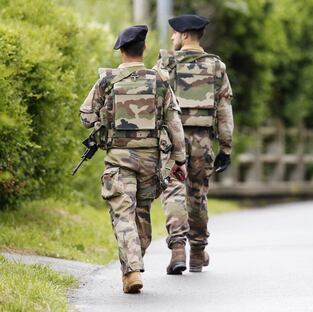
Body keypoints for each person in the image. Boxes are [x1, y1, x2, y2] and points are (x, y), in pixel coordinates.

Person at [79, 25, 186, 293]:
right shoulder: (160, 81)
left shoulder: (107, 81)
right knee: (141, 214)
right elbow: (174, 124)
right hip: (151, 162)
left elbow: (85, 117)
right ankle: (133, 268)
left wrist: (105, 116)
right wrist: (179, 159)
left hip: (118, 160)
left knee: (122, 213)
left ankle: (132, 270)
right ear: (144, 49)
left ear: (121, 50)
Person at [157, 14, 234, 273]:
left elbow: (154, 104)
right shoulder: (216, 66)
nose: (172, 37)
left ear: (185, 35)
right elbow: (224, 110)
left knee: (173, 190)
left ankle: (178, 249)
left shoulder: (166, 63)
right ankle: (198, 254)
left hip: (172, 139)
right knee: (197, 194)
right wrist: (226, 148)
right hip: (202, 140)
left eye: (175, 33)